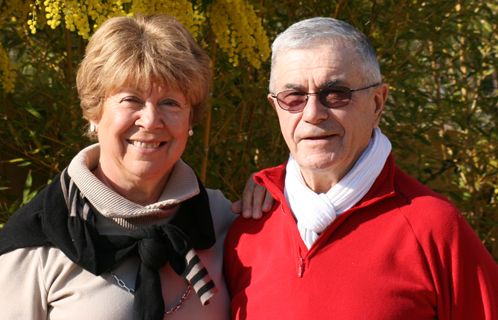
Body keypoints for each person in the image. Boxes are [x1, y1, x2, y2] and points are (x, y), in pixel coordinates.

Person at [223, 17, 498, 319]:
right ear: (276, 107)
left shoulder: (433, 228)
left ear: (377, 104)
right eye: (294, 97)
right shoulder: (246, 232)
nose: (313, 113)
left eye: (336, 93)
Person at [0, 13, 260, 320]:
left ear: (191, 120)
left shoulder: (225, 222)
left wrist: (279, 187)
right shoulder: (34, 242)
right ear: (94, 112)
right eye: (131, 99)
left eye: (171, 103)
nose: (150, 120)